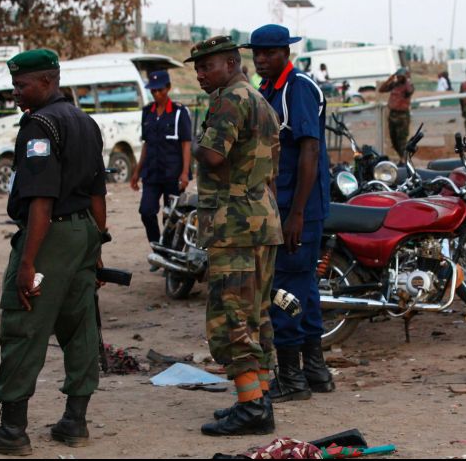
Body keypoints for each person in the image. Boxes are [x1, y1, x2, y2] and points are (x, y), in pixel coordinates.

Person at [0, 49, 110, 455]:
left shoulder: (40, 126)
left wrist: (28, 263)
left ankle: (12, 431)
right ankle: (75, 421)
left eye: (21, 85)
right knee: (79, 323)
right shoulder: (85, 122)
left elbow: (41, 201)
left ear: (47, 82)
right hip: (84, 232)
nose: (15, 93)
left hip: (51, 236)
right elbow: (98, 193)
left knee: (23, 321)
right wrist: (97, 246)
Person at [185, 35, 283, 436]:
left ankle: (252, 406)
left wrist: (191, 145)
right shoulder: (260, 100)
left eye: (206, 67)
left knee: (232, 315)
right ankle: (257, 398)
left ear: (230, 63)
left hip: (234, 224)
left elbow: (213, 155)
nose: (200, 74)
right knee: (257, 313)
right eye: (197, 68)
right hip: (260, 219)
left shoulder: (230, 99)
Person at [243, 24, 333, 405]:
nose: (261, 60)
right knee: (304, 288)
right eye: (256, 54)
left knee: (285, 290)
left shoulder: (298, 87)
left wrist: (296, 214)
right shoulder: (267, 90)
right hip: (279, 206)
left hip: (299, 208)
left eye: (269, 53)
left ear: (285, 52)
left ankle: (293, 378)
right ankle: (316, 372)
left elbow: (310, 152)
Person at [129, 70, 192, 250]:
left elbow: (186, 144)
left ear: (168, 88)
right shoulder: (147, 112)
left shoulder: (180, 112)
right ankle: (157, 247)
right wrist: (137, 172)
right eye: (153, 90)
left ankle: (171, 252)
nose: (156, 94)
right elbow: (146, 144)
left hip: (173, 173)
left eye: (160, 90)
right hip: (152, 173)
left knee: (171, 217)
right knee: (146, 212)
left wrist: (185, 173)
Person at [378, 67, 415, 163]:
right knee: (393, 140)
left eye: (401, 76)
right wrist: (390, 79)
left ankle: (405, 159)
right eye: (398, 76)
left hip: (402, 116)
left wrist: (406, 78)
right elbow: (381, 89)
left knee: (401, 140)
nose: (399, 78)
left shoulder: (408, 86)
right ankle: (402, 158)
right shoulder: (394, 85)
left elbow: (410, 91)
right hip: (393, 115)